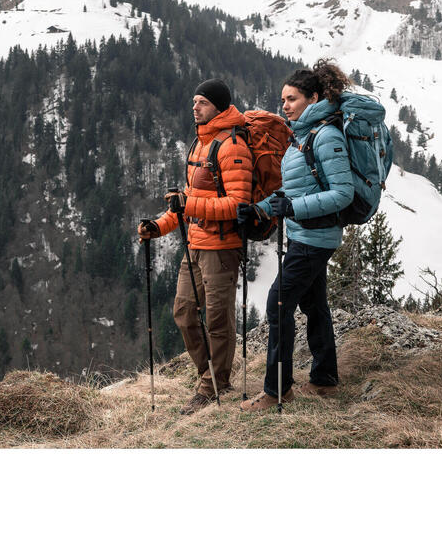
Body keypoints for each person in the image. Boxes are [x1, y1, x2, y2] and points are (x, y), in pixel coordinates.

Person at [238, 59, 354, 413]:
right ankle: (324, 380)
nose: (284, 106)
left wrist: (293, 209)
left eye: (291, 99)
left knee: (278, 302)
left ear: (313, 97)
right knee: (314, 304)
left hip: (316, 237)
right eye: (282, 100)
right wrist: (260, 208)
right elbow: (291, 193)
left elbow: (343, 193)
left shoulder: (326, 136)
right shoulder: (300, 137)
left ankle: (277, 389)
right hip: (306, 233)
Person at [137, 79, 253, 415]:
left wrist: (188, 206)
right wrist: (158, 226)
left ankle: (213, 383)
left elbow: (238, 203)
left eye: (201, 102)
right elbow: (185, 204)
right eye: (193, 101)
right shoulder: (198, 144)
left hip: (222, 247)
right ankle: (210, 375)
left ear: (218, 106)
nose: (195, 107)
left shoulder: (232, 146)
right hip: (196, 244)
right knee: (185, 313)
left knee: (217, 319)